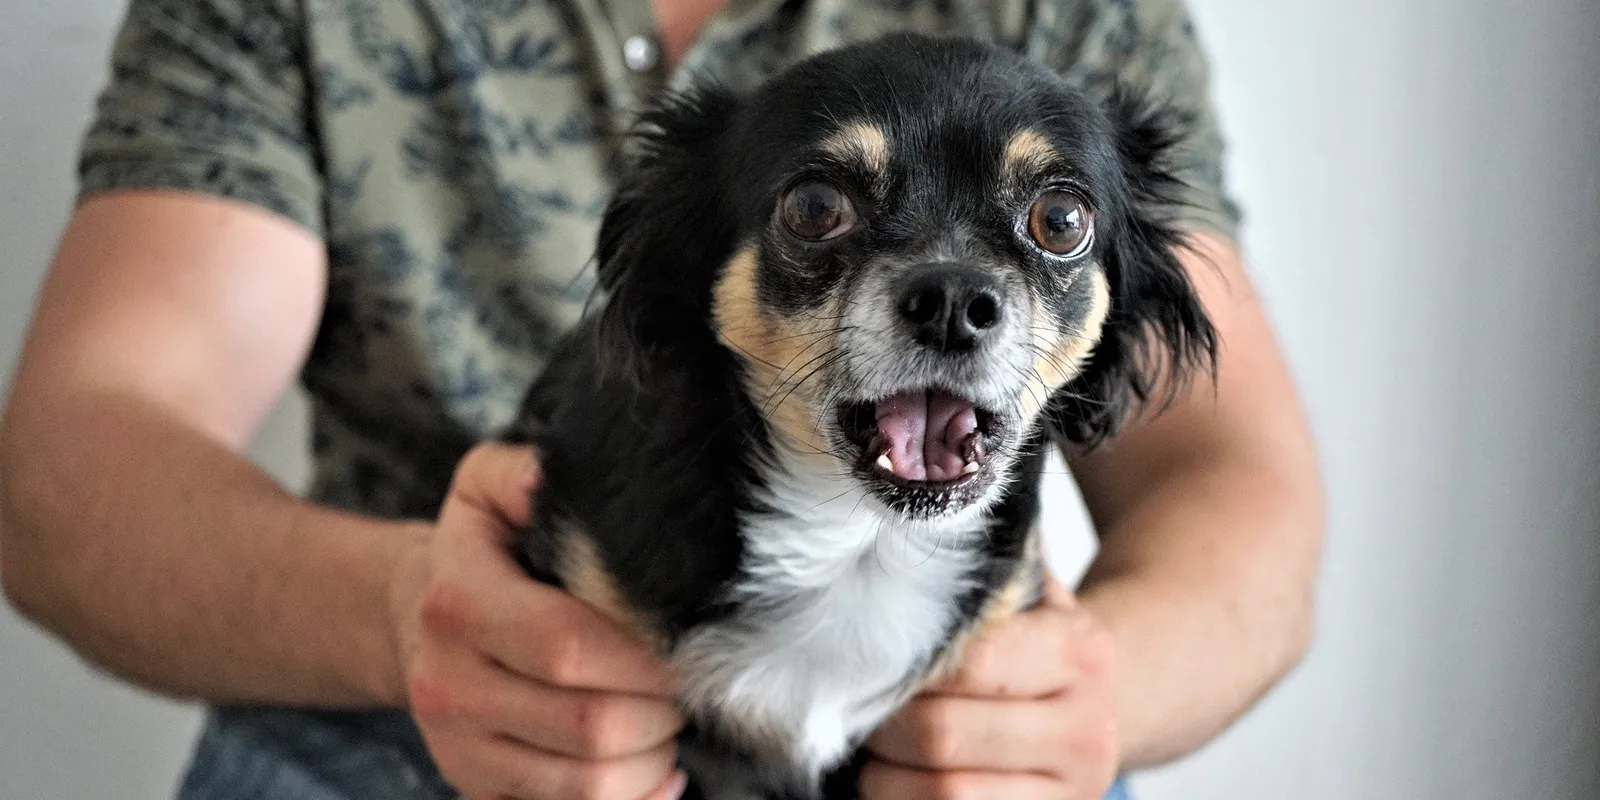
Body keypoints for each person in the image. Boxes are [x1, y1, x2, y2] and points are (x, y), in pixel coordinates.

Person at [0, 0, 1323, 798]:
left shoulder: (1077, 22)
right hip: (410, 708)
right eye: (822, 211)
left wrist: (1097, 687)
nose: (960, 298)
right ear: (684, 282)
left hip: (969, 751)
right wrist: (406, 617)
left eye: (1050, 224)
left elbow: (1236, 482)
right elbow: (73, 469)